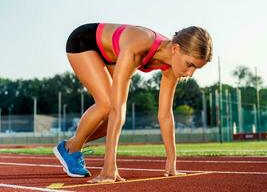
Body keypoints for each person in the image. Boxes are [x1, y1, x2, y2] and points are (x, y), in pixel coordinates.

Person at [53, 22, 212, 182]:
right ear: (176, 49)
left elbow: (165, 115)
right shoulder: (139, 47)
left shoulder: (172, 67)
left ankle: (71, 147)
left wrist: (172, 160)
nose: (190, 73)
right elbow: (117, 108)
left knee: (110, 121)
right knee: (108, 105)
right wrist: (109, 168)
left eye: (196, 68)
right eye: (190, 64)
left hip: (112, 56)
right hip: (85, 41)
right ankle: (74, 151)